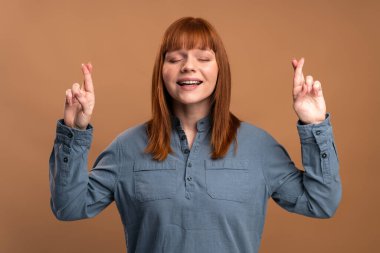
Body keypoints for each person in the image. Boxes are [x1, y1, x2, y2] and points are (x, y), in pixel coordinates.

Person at [49, 17, 342, 253]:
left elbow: (321, 202)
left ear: (220, 70)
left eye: (203, 57)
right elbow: (69, 206)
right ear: (161, 71)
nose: (188, 66)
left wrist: (314, 125)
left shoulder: (259, 147)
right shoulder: (127, 147)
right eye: (175, 58)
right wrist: (74, 132)